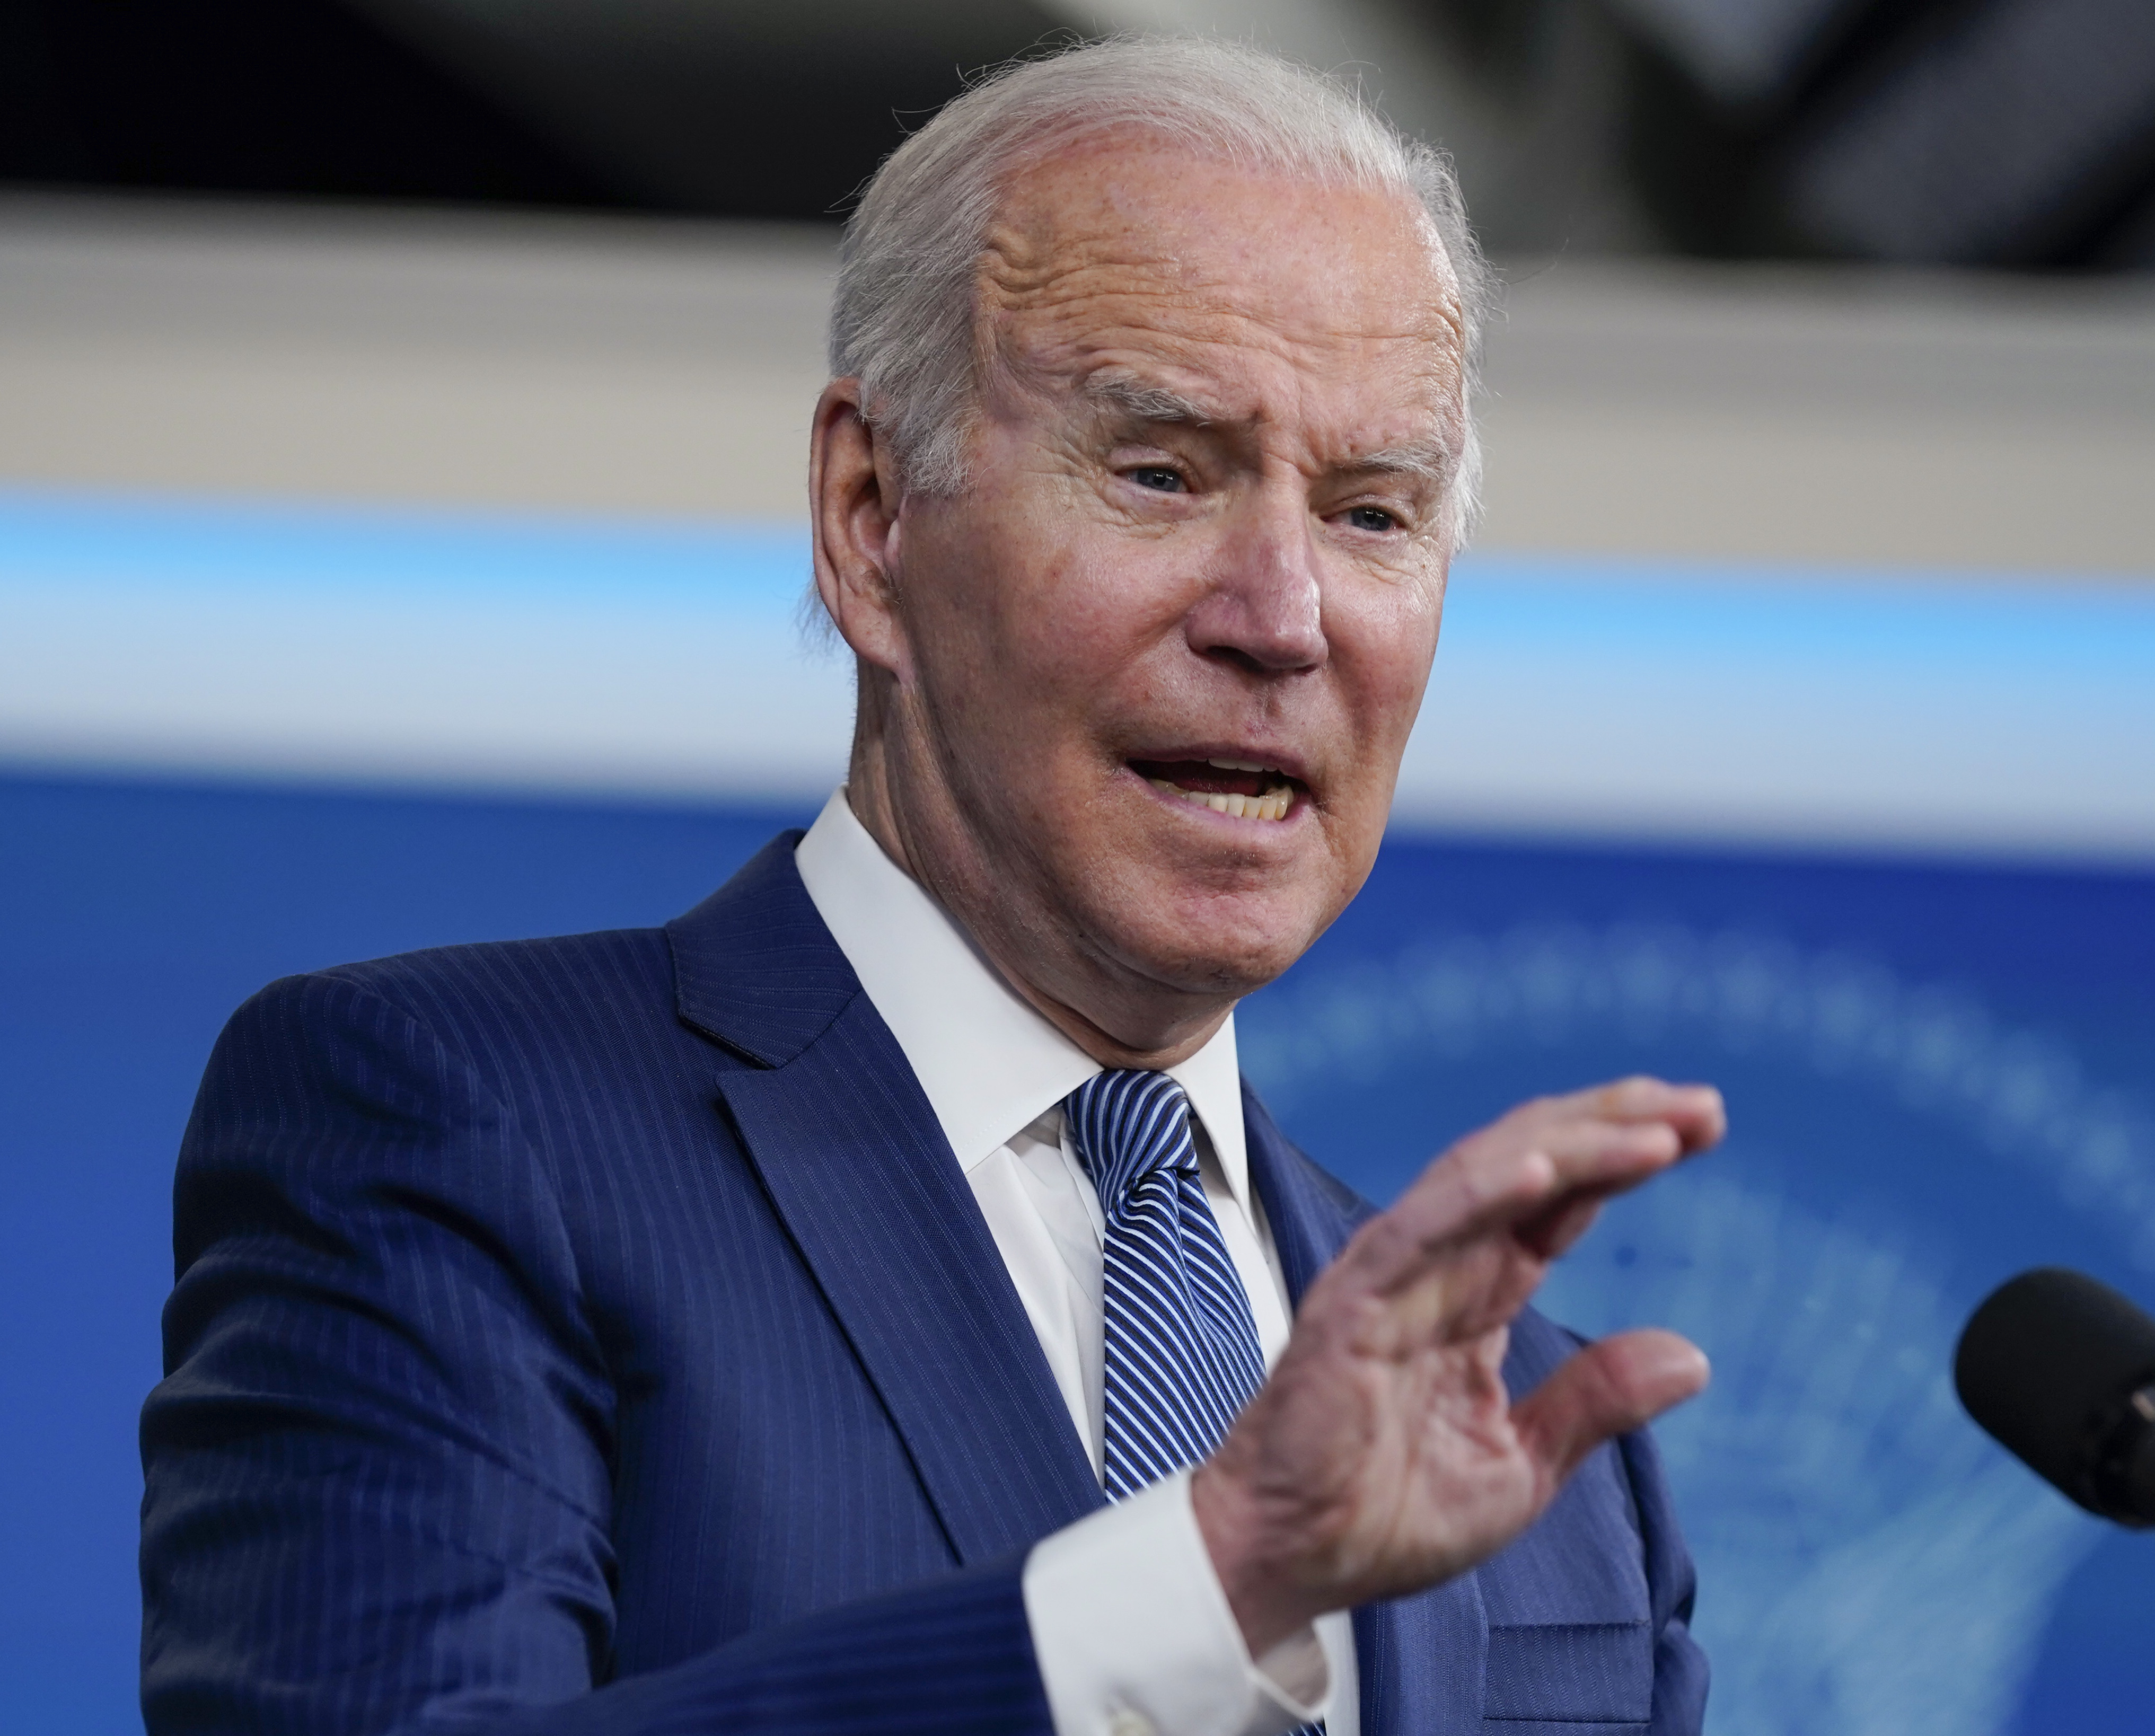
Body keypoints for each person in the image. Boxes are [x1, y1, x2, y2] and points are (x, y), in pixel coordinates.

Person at [140, 38, 1722, 1736]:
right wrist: (1191, 1597)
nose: (1283, 617)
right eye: (1161, 472)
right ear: (870, 516)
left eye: (1374, 515)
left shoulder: (1552, 1461)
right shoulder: (453, 1131)